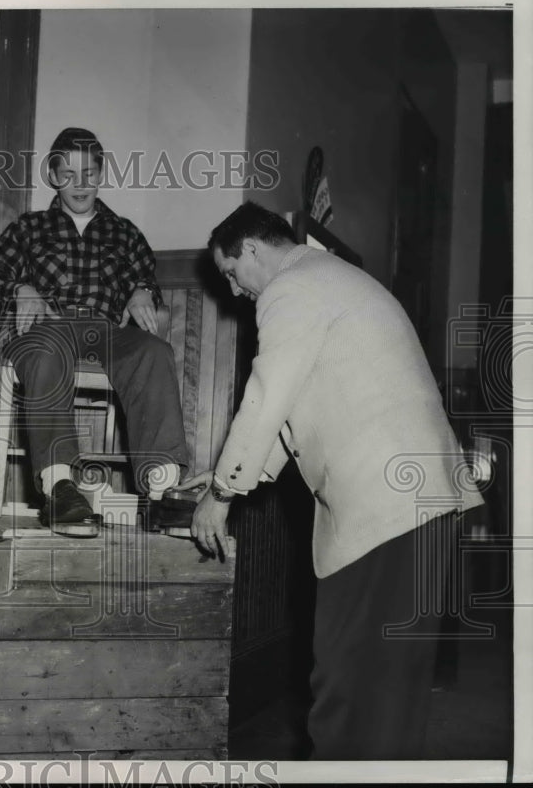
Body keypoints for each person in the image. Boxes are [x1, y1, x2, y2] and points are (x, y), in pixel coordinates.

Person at [184, 201, 483, 759]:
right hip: (424, 502)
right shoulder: (333, 280)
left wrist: (222, 495)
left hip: (382, 512)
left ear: (251, 249)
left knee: (346, 682)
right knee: (392, 690)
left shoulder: (290, 290)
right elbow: (293, 406)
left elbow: (270, 392)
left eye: (230, 272)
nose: (232, 291)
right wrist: (225, 475)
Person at [0, 127, 190, 537]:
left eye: (89, 173)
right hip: (46, 327)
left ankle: (163, 491)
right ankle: (60, 488)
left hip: (105, 330)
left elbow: (146, 279)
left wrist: (142, 291)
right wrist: (21, 287)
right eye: (69, 173)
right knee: (48, 347)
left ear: (100, 174)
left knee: (154, 352)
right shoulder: (28, 228)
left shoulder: (124, 233)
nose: (80, 184)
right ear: (54, 176)